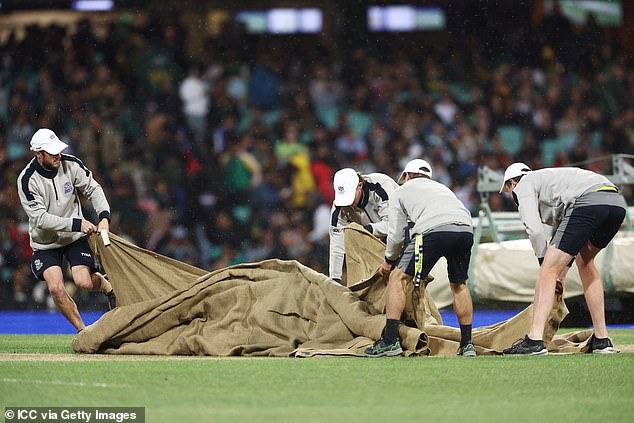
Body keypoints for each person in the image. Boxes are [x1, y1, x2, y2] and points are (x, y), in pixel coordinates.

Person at [500, 163, 626, 355]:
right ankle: (602, 339)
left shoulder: (523, 184)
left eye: (508, 189)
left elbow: (534, 231)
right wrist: (560, 272)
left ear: (511, 183)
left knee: (547, 270)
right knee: (586, 262)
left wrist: (545, 264)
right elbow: (567, 238)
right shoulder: (551, 183)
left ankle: (534, 340)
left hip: (588, 202)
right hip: (615, 203)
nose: (510, 195)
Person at [365, 159, 476, 357]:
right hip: (465, 229)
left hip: (432, 230)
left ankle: (390, 341)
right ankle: (467, 345)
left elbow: (396, 235)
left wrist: (389, 261)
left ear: (406, 176)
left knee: (398, 277)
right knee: (459, 284)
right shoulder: (442, 188)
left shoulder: (401, 191)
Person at [17, 128, 117, 332]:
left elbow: (93, 189)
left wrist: (104, 217)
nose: (57, 155)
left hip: (73, 237)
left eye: (58, 150)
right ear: (38, 154)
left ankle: (106, 286)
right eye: (51, 152)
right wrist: (78, 223)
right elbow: (41, 219)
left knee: (84, 283)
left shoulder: (71, 164)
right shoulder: (27, 180)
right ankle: (83, 331)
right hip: (45, 243)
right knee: (55, 288)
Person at [329, 168, 398, 284]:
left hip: (403, 235)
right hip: (374, 241)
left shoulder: (381, 186)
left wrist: (365, 230)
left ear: (359, 185)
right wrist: (334, 278)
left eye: (350, 196)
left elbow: (394, 225)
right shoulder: (339, 206)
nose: (348, 203)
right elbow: (337, 243)